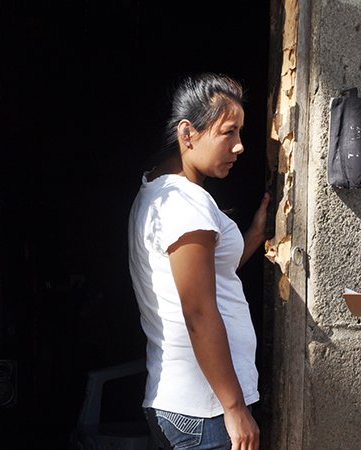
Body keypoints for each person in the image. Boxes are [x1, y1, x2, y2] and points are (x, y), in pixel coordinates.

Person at [128, 73, 270, 450]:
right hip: (205, 412)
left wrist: (256, 233)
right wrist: (235, 405)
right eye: (229, 132)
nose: (240, 146)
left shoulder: (158, 194)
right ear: (187, 134)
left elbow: (209, 278)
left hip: (189, 407)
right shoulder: (184, 204)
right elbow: (199, 311)